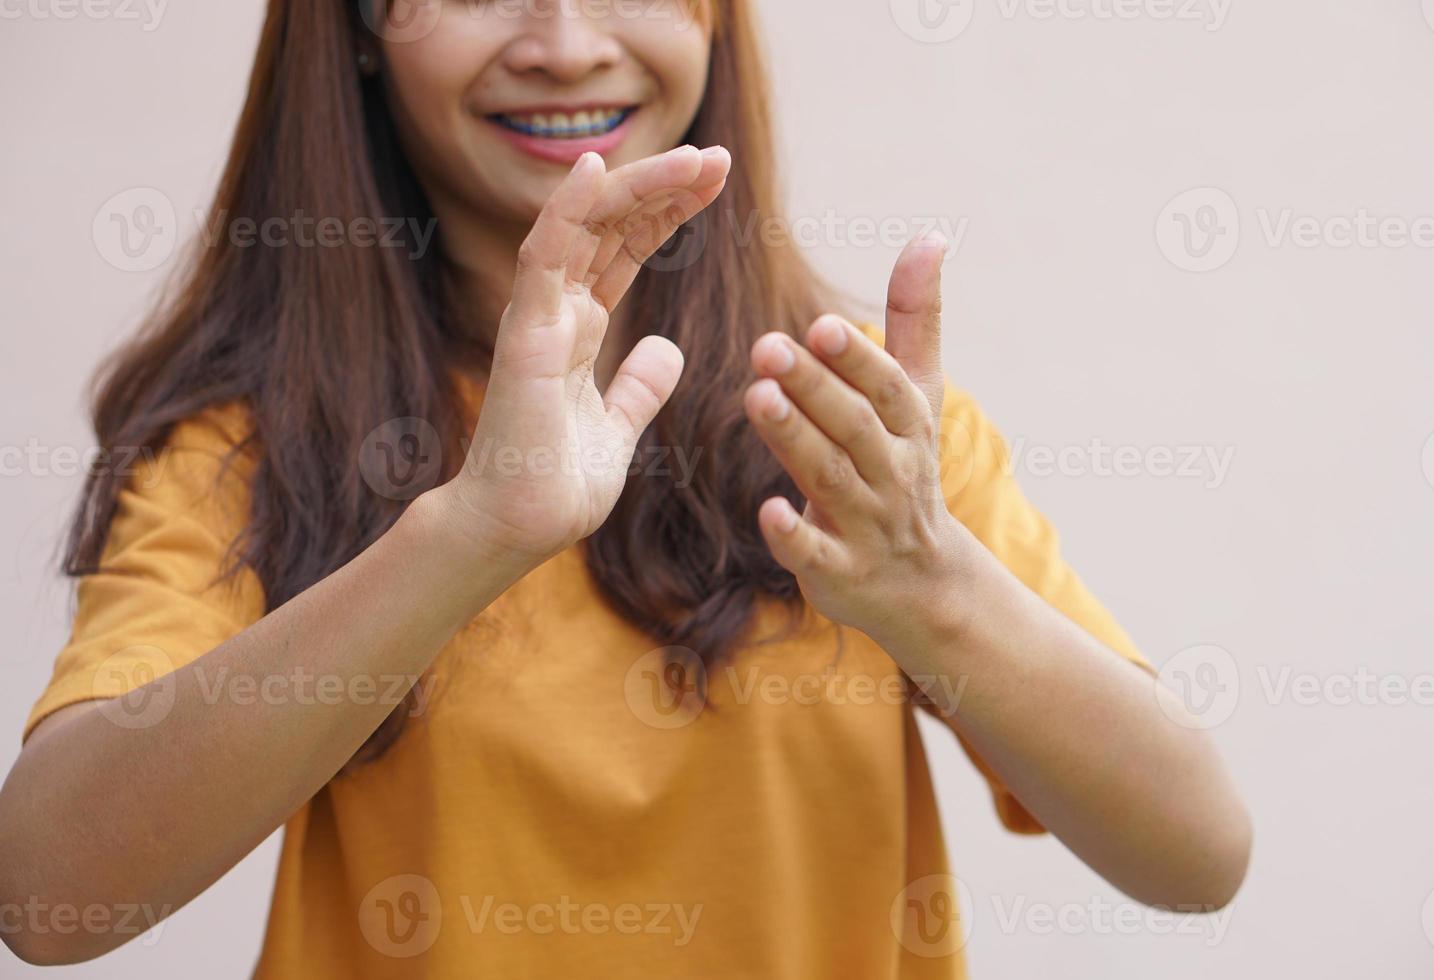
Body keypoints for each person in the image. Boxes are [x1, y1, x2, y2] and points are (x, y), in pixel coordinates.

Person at [0, 0, 1250, 975]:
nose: (564, 43)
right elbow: (48, 892)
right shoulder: (246, 444)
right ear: (362, 32)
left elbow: (1197, 851)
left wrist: (938, 592)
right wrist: (468, 535)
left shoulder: (855, 429)